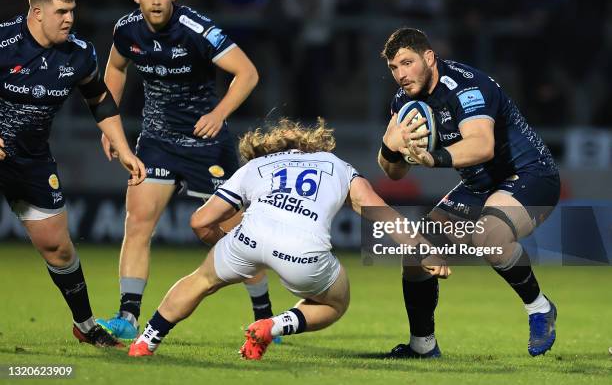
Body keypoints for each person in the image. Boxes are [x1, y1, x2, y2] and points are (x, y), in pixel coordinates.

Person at [126, 118, 435, 359]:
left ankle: (146, 341)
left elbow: (200, 220)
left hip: (249, 237)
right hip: (305, 250)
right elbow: (380, 212)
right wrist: (423, 249)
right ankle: (272, 326)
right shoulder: (337, 165)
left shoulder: (255, 166)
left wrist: (227, 244)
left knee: (200, 280)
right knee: (335, 302)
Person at [95, 0, 274, 343]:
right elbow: (114, 66)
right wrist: (108, 123)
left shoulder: (197, 29)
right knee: (137, 222)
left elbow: (247, 72)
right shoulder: (126, 30)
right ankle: (127, 316)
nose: (156, 0)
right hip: (157, 141)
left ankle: (265, 318)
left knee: (232, 233)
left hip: (206, 143)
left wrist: (219, 113)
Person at [378, 28, 560, 358]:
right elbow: (393, 173)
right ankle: (423, 347)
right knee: (416, 253)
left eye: (407, 63)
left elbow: (482, 145)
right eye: (393, 67)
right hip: (481, 184)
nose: (401, 75)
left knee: (490, 236)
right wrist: (389, 148)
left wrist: (433, 158)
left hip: (531, 175)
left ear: (429, 57)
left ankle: (539, 308)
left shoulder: (465, 86)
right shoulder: (404, 102)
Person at [0, 0, 146, 347]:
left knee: (58, 246)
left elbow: (98, 99)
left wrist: (124, 148)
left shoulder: (79, 53)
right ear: (36, 13)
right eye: (61, 11)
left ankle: (84, 324)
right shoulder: (3, 42)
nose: (69, 19)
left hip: (31, 161)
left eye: (72, 12)